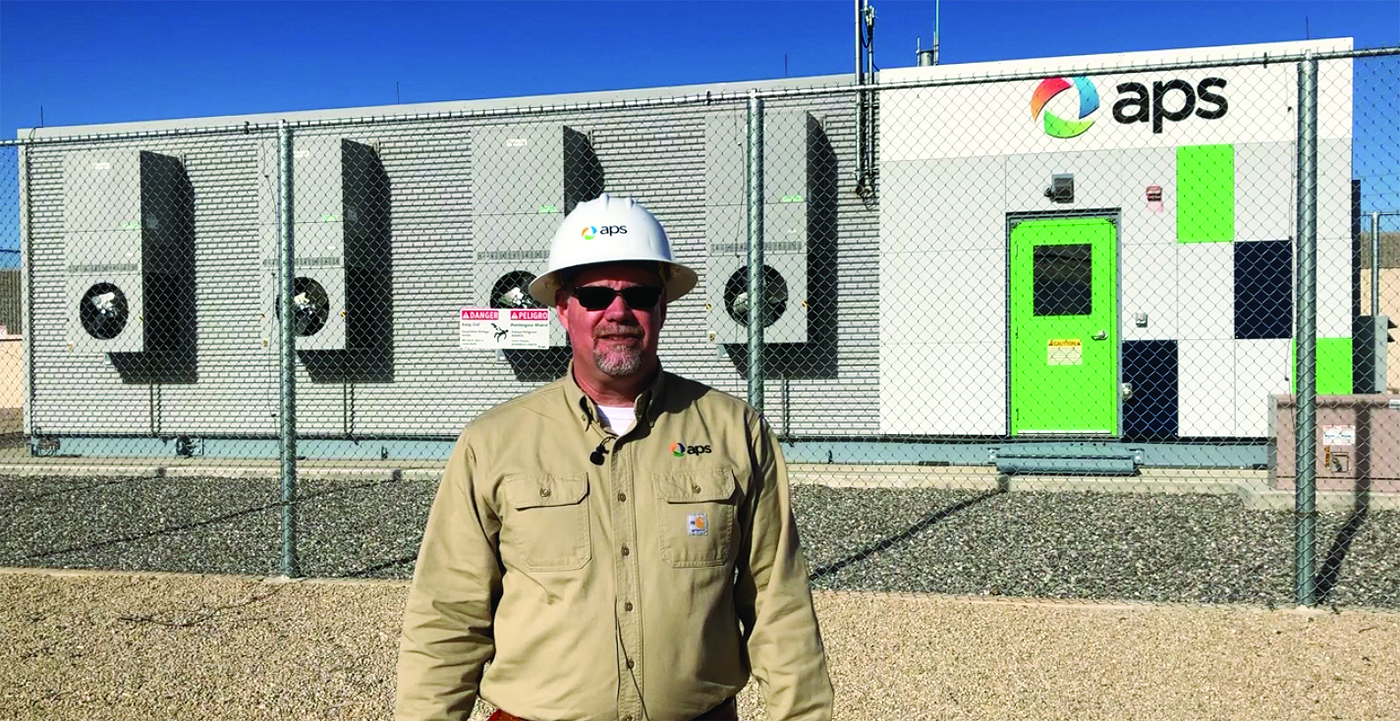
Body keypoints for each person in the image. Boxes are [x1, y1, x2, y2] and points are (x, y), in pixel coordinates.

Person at [395, 194, 834, 721]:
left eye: (640, 295)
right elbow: (448, 614)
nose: (619, 312)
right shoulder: (492, 444)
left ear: (663, 306)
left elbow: (777, 603)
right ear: (562, 307)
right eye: (596, 294)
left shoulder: (735, 432)